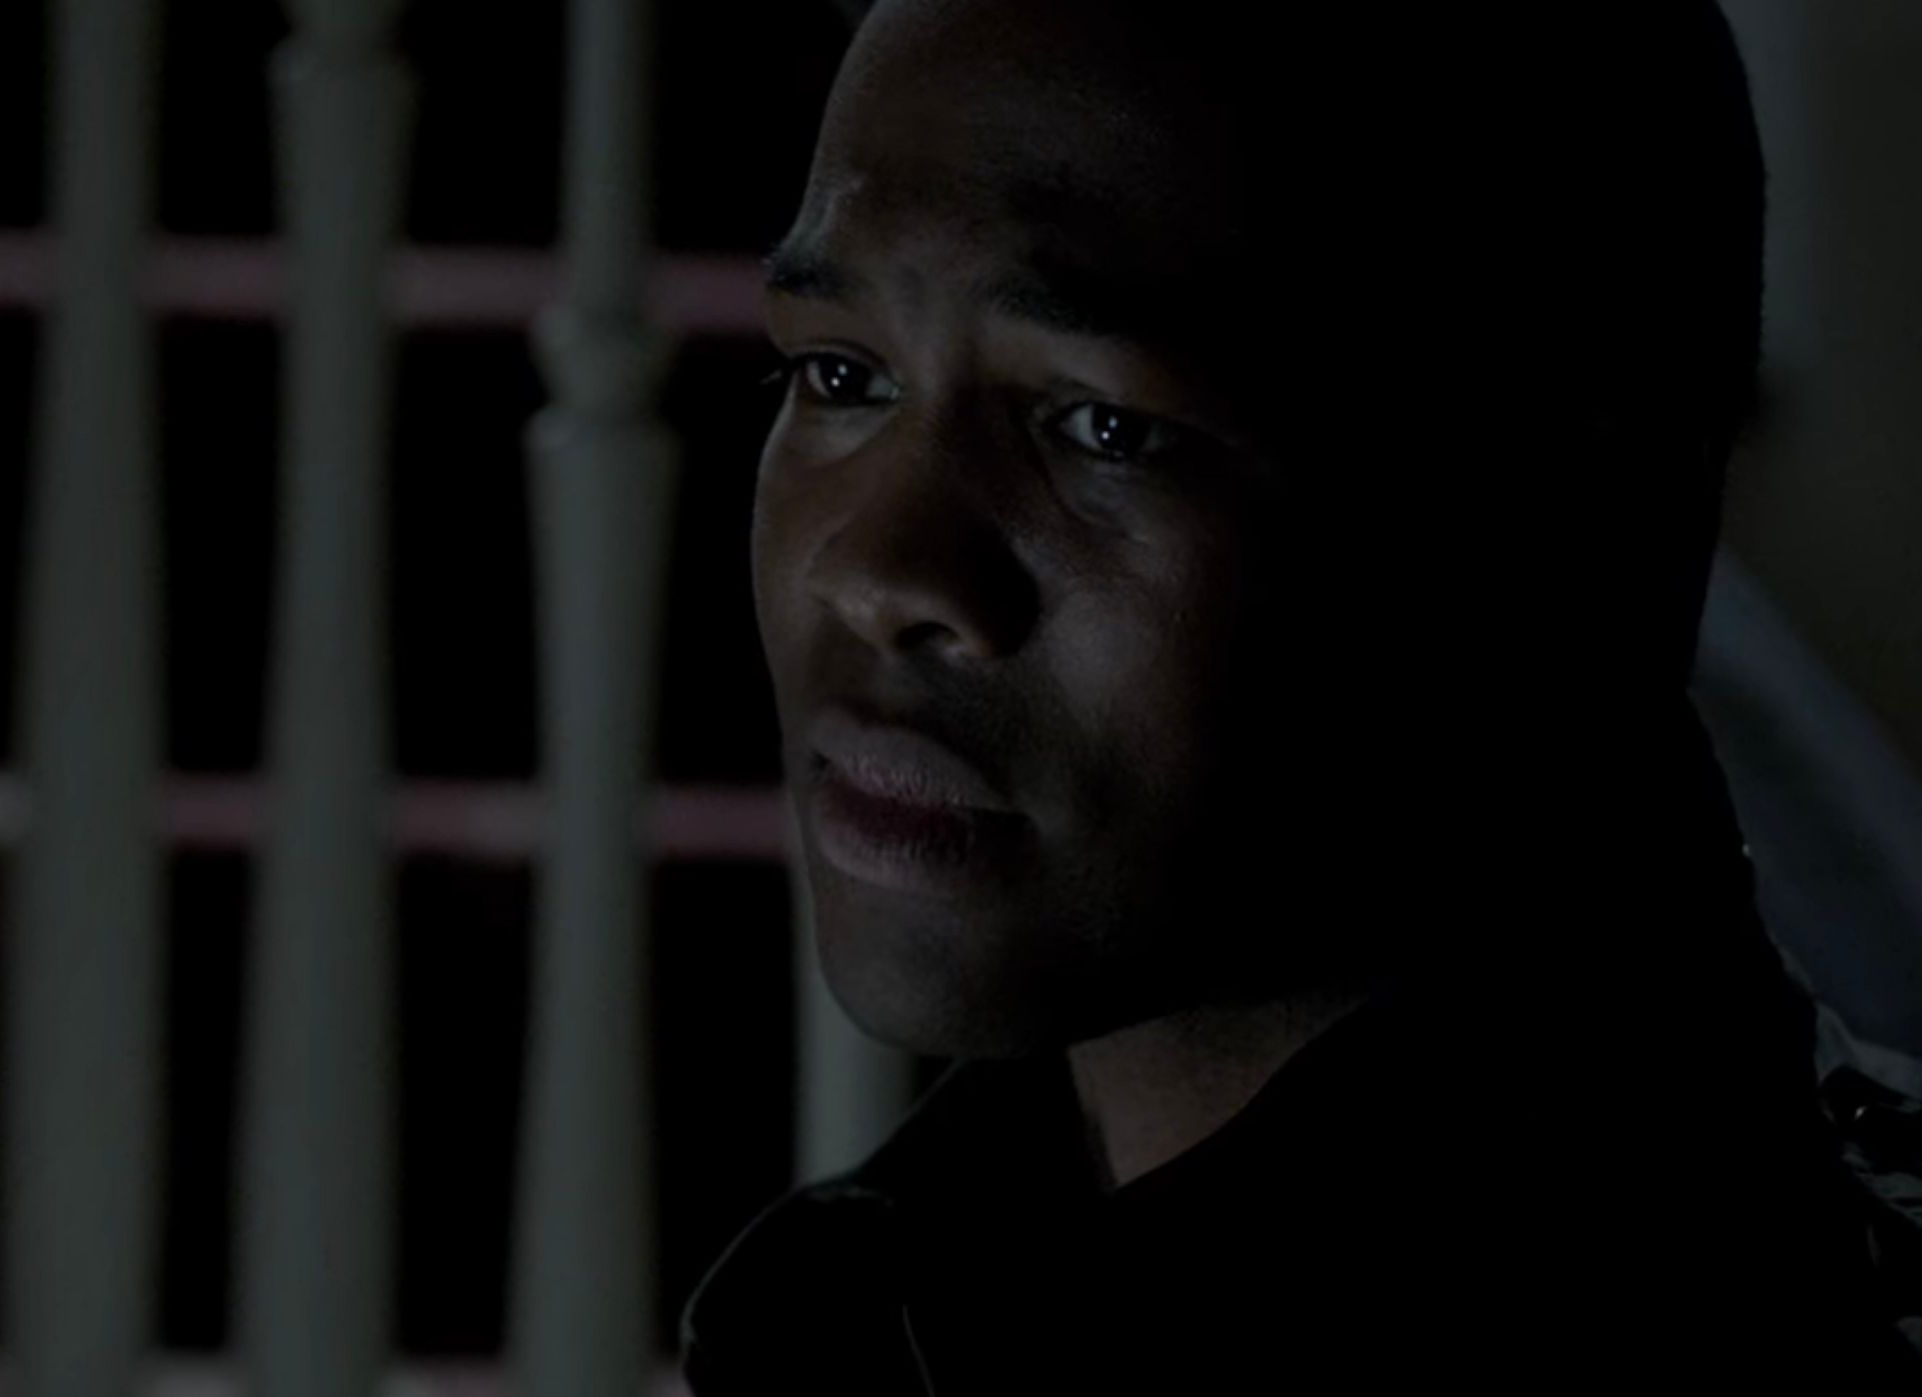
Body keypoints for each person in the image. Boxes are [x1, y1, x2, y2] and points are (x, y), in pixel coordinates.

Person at [680, 0, 1921, 1387]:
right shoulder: (859, 1303)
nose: (879, 571)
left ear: (1578, 517)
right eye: (840, 374)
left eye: (1101, 426)